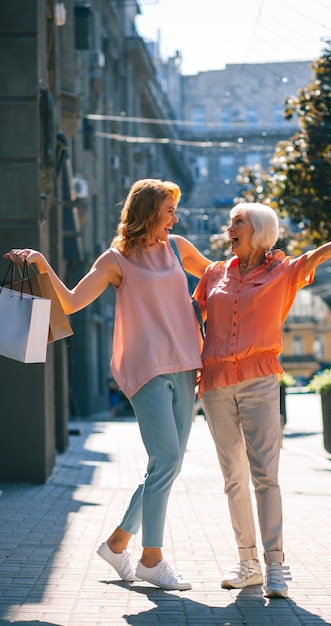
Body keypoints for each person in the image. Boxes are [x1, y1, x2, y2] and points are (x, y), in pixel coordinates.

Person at [5, 178, 211, 591]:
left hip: (187, 363)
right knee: (167, 459)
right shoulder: (116, 259)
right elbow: (71, 302)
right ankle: (151, 559)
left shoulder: (178, 247)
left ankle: (118, 544)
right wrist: (43, 263)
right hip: (145, 368)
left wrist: (263, 262)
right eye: (169, 208)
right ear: (150, 210)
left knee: (164, 465)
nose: (175, 216)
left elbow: (217, 279)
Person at [193, 202, 331, 599]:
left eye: (238, 221)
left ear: (260, 230)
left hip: (260, 381)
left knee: (264, 476)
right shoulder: (214, 273)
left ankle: (275, 566)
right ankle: (247, 563)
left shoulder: (283, 272)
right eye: (231, 220)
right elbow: (185, 316)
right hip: (216, 383)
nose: (229, 226)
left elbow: (322, 251)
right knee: (233, 478)